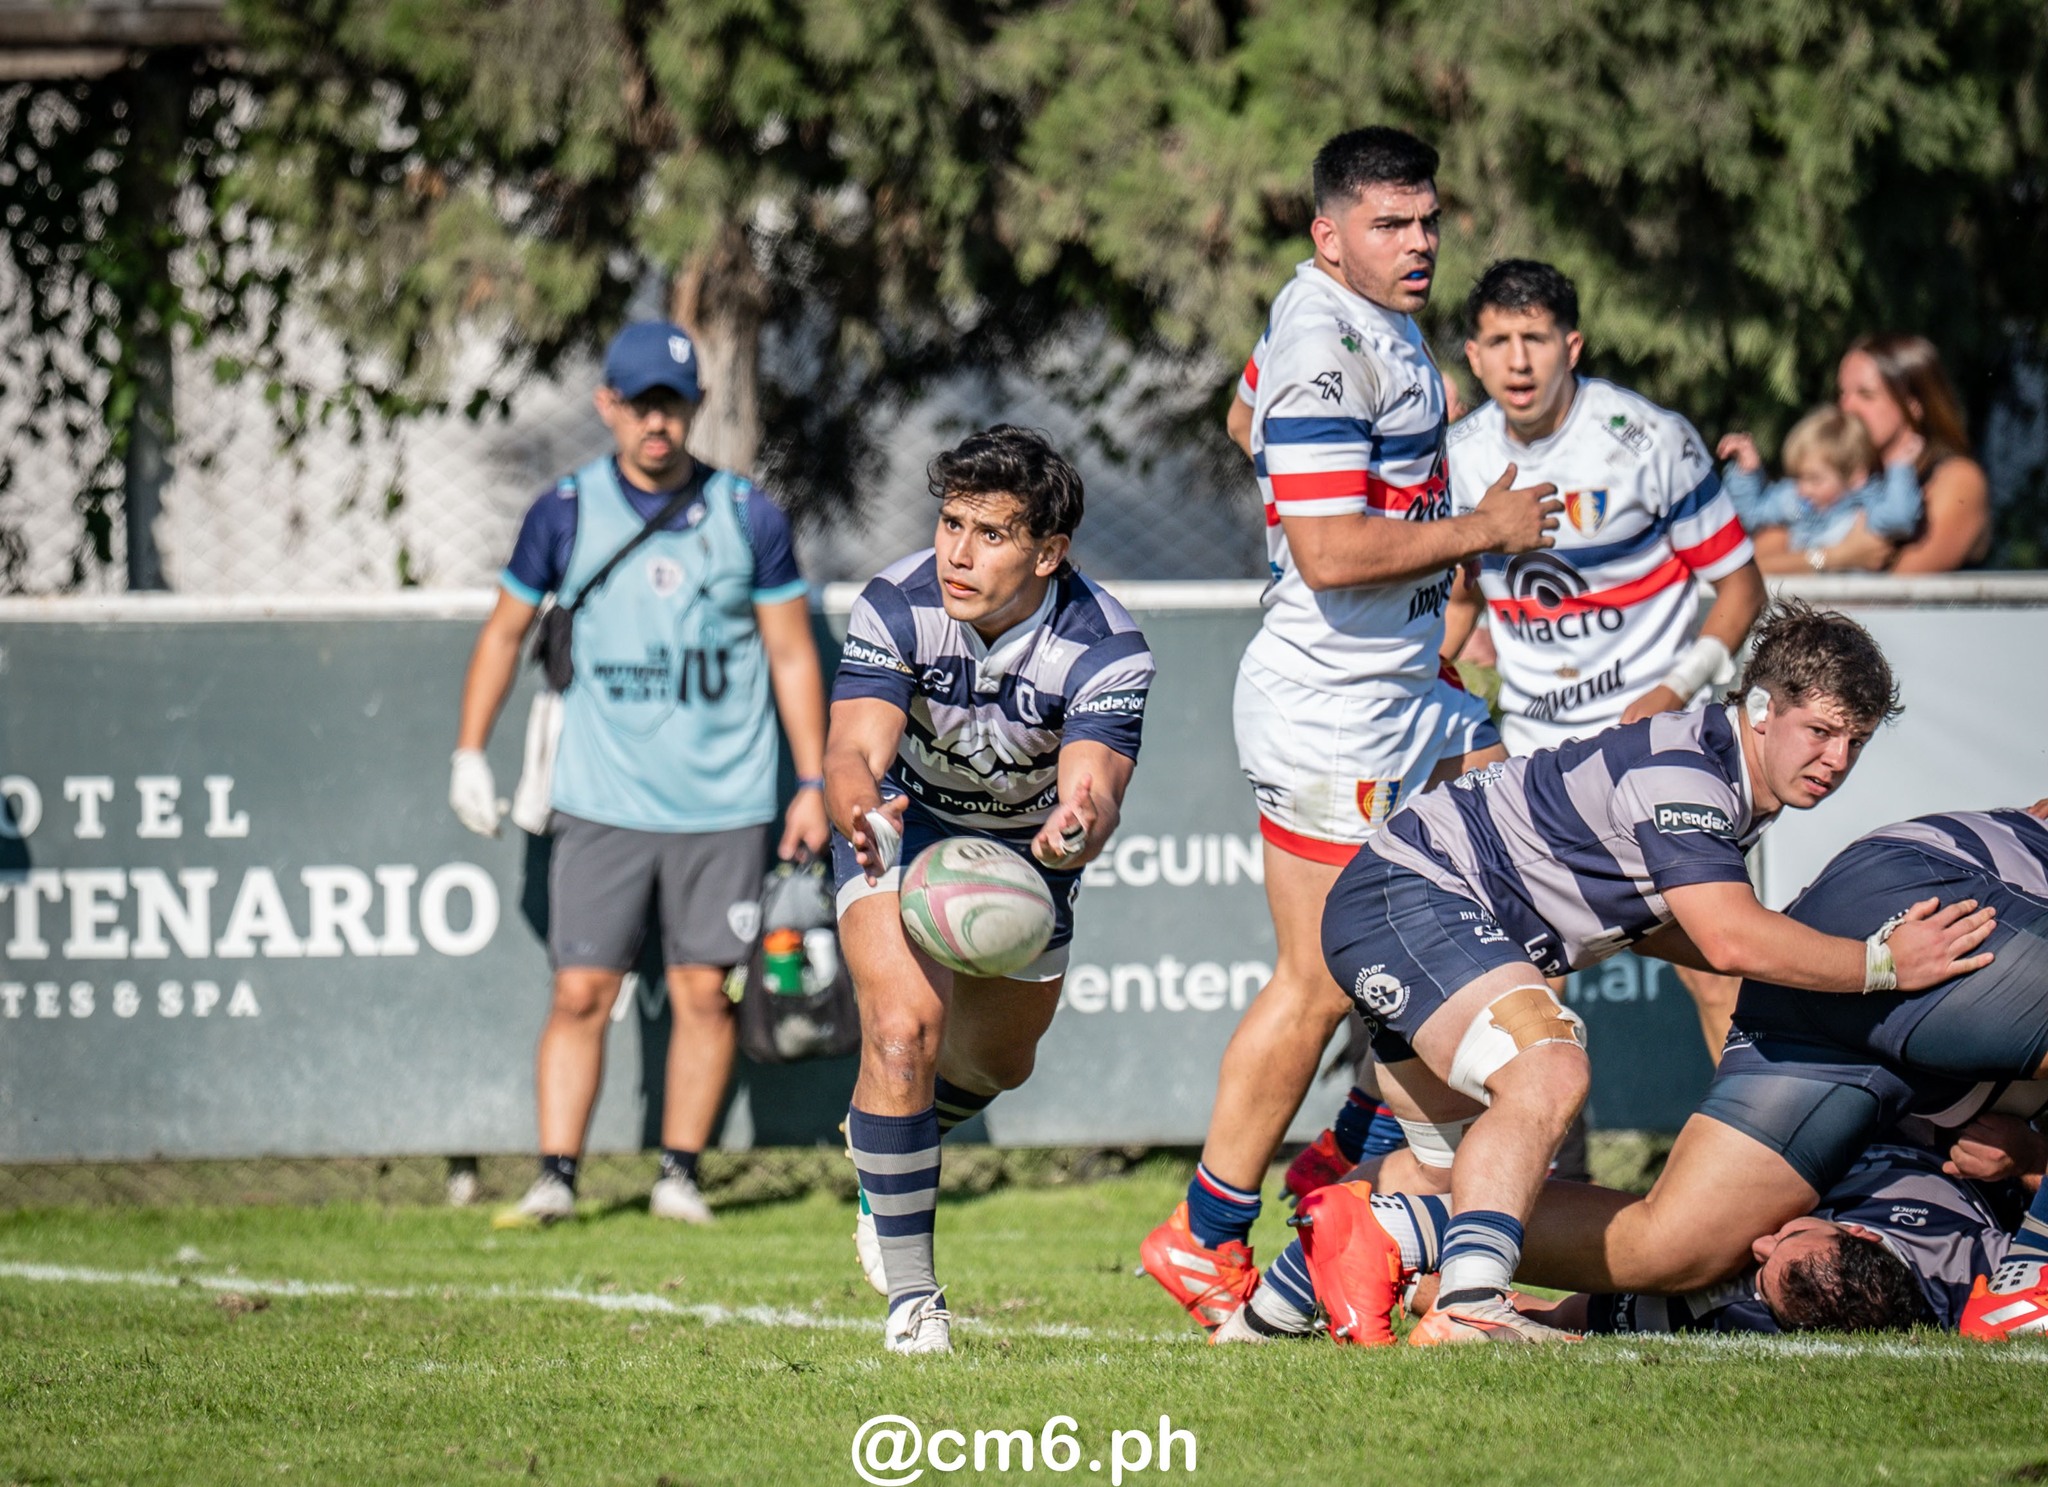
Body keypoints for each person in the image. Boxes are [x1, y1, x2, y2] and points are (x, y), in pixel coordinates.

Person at [1300, 603, 1995, 1345]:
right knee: (1548, 1072)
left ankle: (1274, 1305)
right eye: (1820, 732)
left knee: (1454, 1174)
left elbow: (1674, 933)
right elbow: (1728, 937)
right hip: (1416, 893)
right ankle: (1472, 1303)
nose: (1835, 759)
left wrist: (1803, 959)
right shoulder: (1689, 774)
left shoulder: (1720, 773)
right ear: (1761, 709)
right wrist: (1882, 963)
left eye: (1853, 741)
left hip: (1404, 901)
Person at [1142, 125, 1563, 1332]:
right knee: (1321, 981)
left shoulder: (1359, 318)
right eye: (1390, 223)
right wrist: (1480, 533)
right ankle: (1200, 1234)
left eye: (1427, 219)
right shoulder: (1326, 336)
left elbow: (1243, 426)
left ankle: (1356, 1170)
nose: (1418, 242)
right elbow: (1325, 552)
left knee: (1509, 903)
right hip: (1332, 721)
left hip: (1410, 703)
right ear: (1329, 233)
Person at [1299, 802, 2038, 1348]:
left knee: (1675, 1242)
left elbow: (1586, 1312)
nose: (1758, 1243)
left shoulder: (1769, 1293)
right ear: (1859, 1233)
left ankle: (1389, 1224)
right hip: (1965, 913)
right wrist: (2030, 1162)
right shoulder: (1960, 1278)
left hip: (1867, 921)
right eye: (1783, 1239)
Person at [450, 321, 830, 1228]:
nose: (657, 422)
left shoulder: (748, 515)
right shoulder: (566, 510)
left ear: (694, 407)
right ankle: (556, 1176)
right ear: (607, 406)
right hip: (602, 800)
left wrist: (812, 781)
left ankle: (678, 1174)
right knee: (581, 990)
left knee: (705, 992)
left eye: (672, 403)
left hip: (725, 802)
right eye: (639, 403)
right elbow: (504, 632)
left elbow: (790, 655)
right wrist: (469, 750)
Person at [824, 425, 1154, 1354]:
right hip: (901, 827)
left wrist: (1077, 821)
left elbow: (1096, 781)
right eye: (950, 523)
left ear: (1049, 552)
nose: (958, 553)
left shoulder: (1107, 644)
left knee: (1000, 1062)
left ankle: (880, 1140)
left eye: (992, 534)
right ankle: (914, 1303)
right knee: (901, 1033)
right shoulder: (895, 603)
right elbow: (852, 751)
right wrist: (860, 809)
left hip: (1022, 858)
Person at [1441, 258, 1766, 1062]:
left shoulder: (1647, 439)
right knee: (1523, 985)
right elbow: (1458, 600)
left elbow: (1741, 586)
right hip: (1535, 758)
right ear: (1475, 356)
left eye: (1537, 339)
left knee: (1722, 974)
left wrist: (1673, 689)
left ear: (1573, 345)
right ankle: (1547, 1174)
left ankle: (1763, 1168)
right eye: (1500, 341)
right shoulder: (1458, 457)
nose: (1520, 360)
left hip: (1657, 750)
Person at [1777, 333, 1991, 574]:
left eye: (1865, 395)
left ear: (1914, 404)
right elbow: (1757, 564)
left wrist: (1807, 561)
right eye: (1842, 393)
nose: (1847, 407)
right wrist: (1836, 557)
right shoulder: (1840, 471)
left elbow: (1901, 588)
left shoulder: (1957, 479)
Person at [1719, 406, 1922, 575]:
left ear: (1855, 477)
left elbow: (1900, 519)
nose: (1803, 488)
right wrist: (1746, 473)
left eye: (1815, 479)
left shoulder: (1866, 506)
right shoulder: (1795, 501)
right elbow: (1752, 514)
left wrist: (1900, 468)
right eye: (1798, 477)